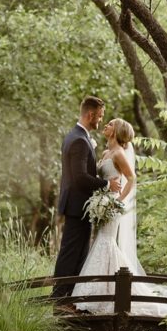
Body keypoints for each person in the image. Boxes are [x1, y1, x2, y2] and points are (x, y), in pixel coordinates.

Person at [72, 118, 167, 317]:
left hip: (112, 204)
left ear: (116, 130)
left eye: (110, 124)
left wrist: (118, 201)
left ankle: (104, 294)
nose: (106, 125)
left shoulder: (118, 153)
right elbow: (103, 178)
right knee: (102, 241)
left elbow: (132, 178)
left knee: (106, 241)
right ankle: (104, 291)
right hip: (102, 201)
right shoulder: (106, 153)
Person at [52, 96, 120, 305]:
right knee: (71, 253)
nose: (100, 120)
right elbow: (80, 177)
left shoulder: (77, 136)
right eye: (99, 116)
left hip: (79, 205)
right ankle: (59, 300)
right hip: (77, 205)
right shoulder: (79, 140)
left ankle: (69, 300)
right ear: (90, 115)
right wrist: (107, 184)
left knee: (79, 253)